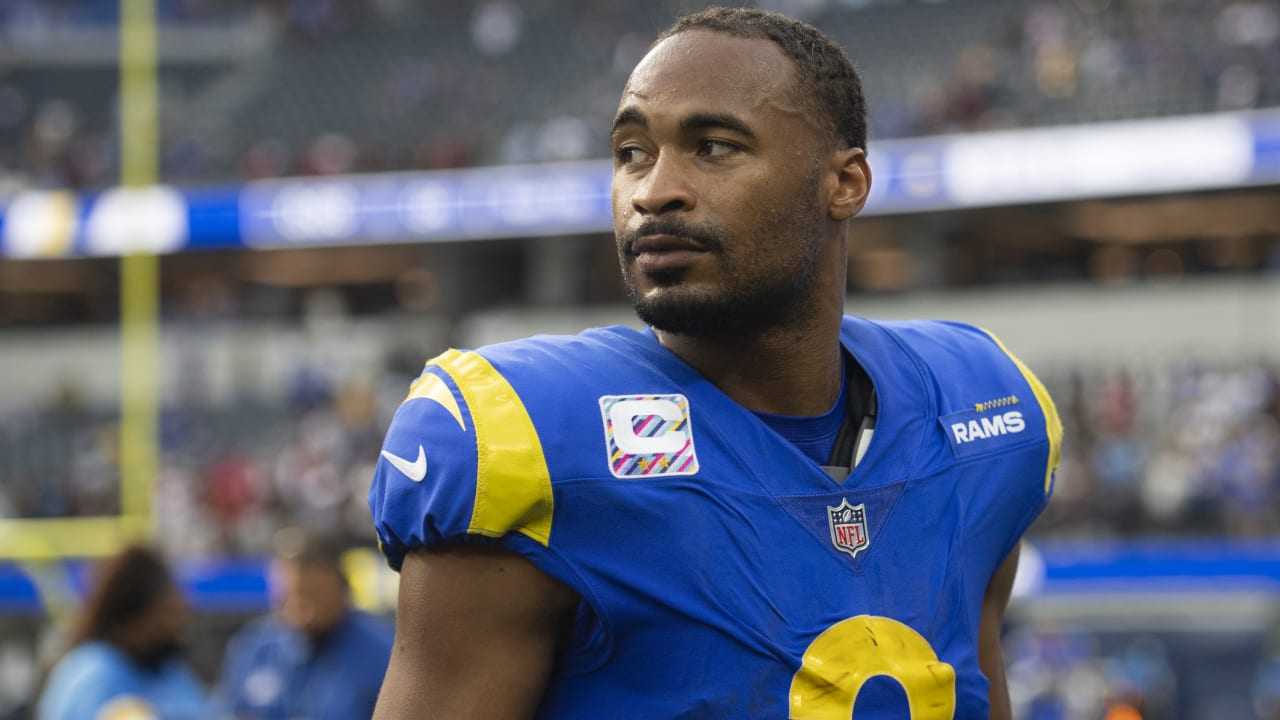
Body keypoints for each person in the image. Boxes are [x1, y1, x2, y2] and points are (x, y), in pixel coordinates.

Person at [369, 6, 1062, 719]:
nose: (652, 190)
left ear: (846, 183)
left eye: (714, 146)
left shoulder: (981, 407)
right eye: (632, 152)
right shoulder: (526, 439)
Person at [215, 527, 393, 720]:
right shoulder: (255, 645)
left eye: (313, 595)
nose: (303, 611)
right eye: (290, 597)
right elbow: (227, 710)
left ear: (341, 587)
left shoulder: (383, 651)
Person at [35, 543, 215, 720]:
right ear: (133, 618)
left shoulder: (168, 672)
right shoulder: (93, 675)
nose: (180, 627)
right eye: (169, 615)